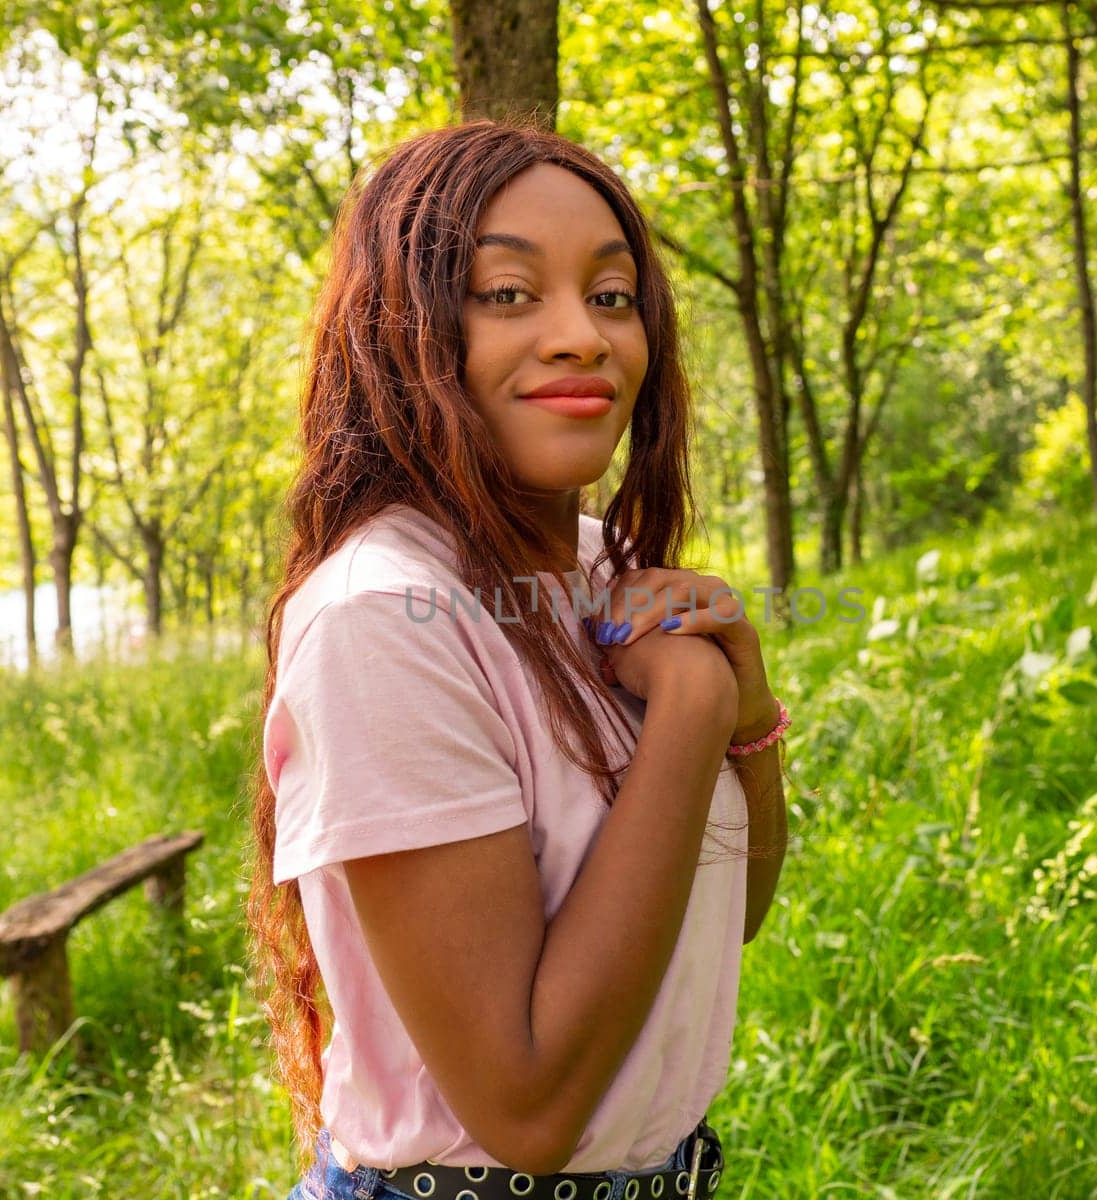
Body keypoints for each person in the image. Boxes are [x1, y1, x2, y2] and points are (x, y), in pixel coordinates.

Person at [248, 120, 792, 1200]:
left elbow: (719, 923)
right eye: (507, 294)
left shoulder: (608, 570)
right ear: (401, 332)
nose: (581, 337)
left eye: (611, 294)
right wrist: (689, 708)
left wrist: (750, 719)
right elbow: (528, 1107)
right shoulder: (382, 617)